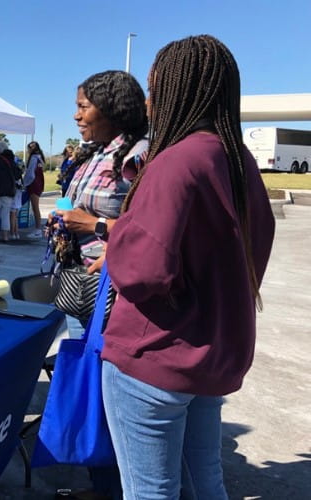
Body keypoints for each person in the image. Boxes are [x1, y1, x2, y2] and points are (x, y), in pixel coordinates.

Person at [101, 35, 275, 499]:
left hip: (154, 356)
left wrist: (114, 237)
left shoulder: (174, 162)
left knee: (149, 492)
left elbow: (143, 270)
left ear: (179, 92)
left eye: (156, 91)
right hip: (210, 354)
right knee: (204, 483)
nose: (150, 105)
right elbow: (256, 247)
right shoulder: (240, 161)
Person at [49, 70, 149, 500]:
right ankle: (99, 481)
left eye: (83, 106)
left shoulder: (138, 156)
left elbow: (150, 225)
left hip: (113, 297)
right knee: (90, 388)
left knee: (108, 398)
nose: (75, 115)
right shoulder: (92, 154)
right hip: (82, 292)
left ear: (111, 109)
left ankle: (114, 486)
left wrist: (94, 224)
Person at [23, 141, 46, 238]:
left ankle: (38, 230)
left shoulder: (33, 158)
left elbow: (30, 173)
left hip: (33, 184)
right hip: (39, 183)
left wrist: (24, 183)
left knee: (35, 207)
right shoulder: (40, 158)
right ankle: (37, 229)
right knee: (36, 207)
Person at [8, 153, 25, 240]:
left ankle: (13, 233)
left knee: (12, 215)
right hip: (18, 194)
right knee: (15, 215)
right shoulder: (20, 176)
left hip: (14, 193)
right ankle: (16, 233)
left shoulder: (14, 174)